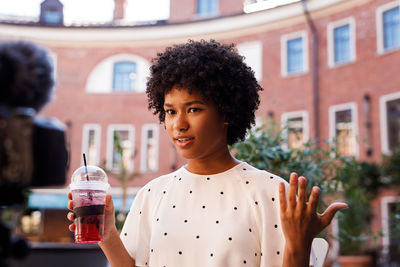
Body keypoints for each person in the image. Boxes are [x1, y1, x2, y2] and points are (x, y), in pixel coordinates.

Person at [67, 39, 347, 267]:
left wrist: (300, 245)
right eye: (170, 111)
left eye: (194, 109)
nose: (179, 124)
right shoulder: (152, 194)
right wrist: (107, 234)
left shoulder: (273, 193)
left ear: (226, 112)